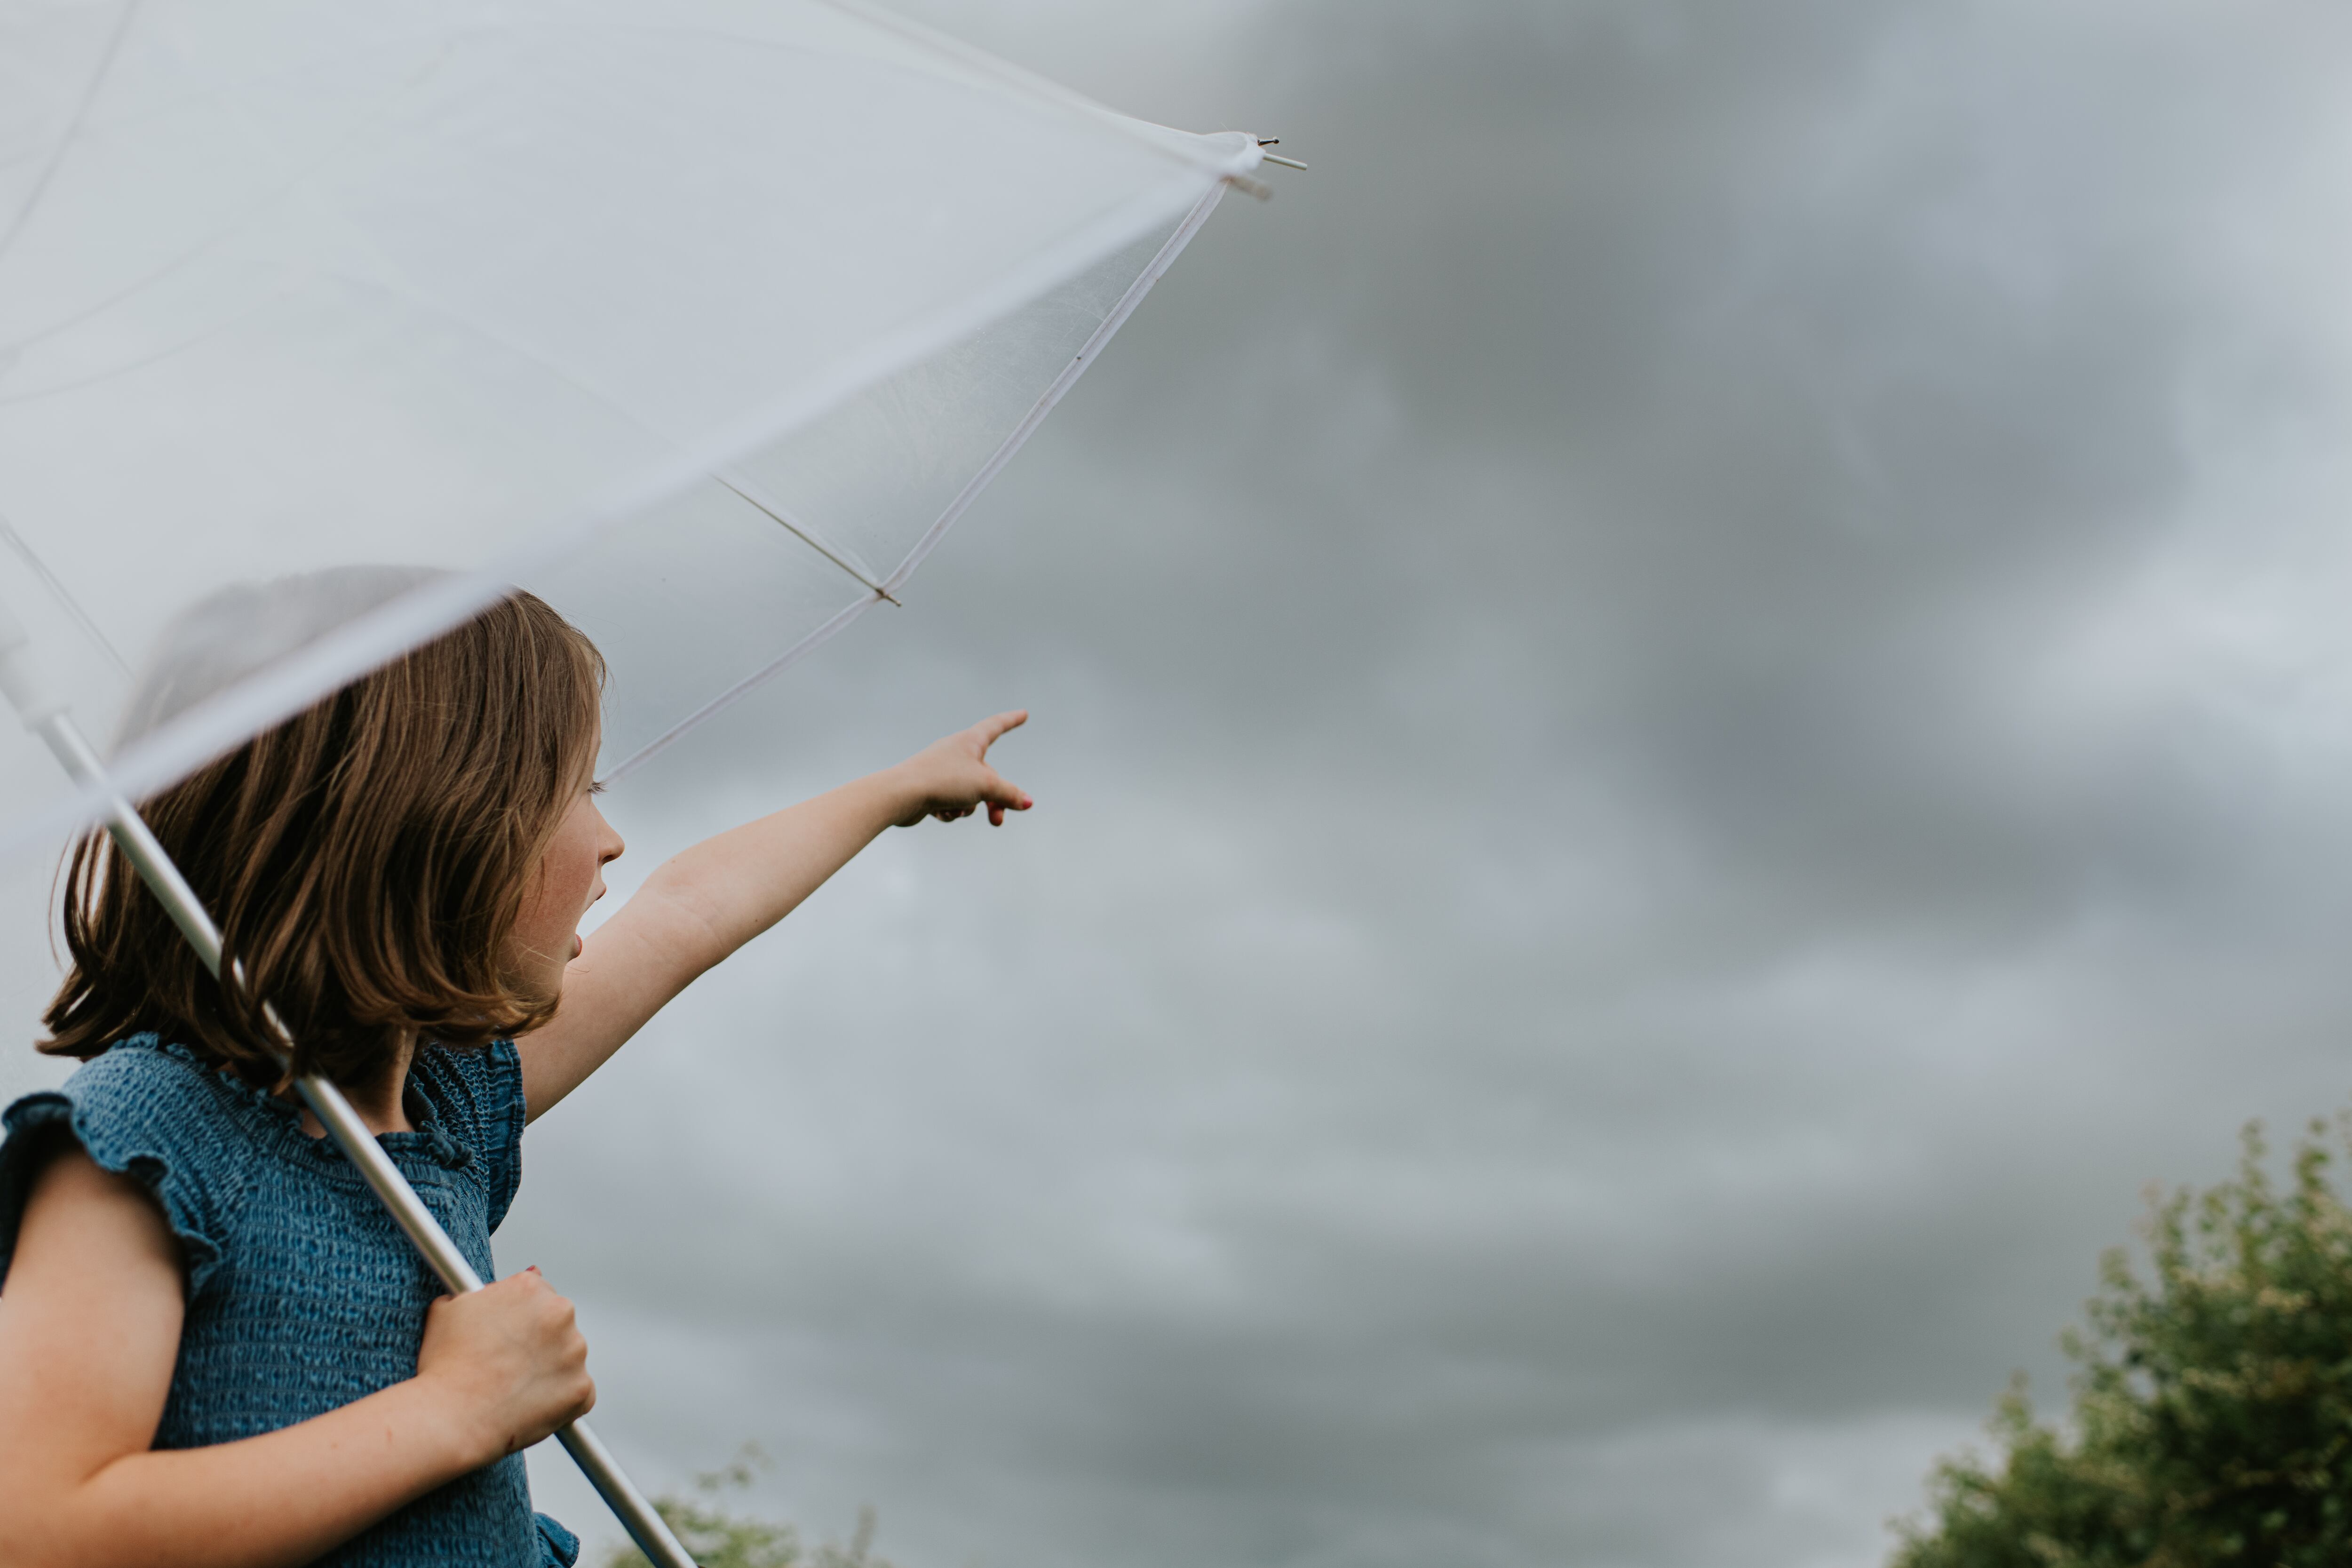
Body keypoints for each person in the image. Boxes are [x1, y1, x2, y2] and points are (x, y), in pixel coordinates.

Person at [0, 584, 1031, 1567]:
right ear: (434, 823)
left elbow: (688, 911)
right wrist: (455, 1412)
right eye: (582, 790)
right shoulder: (145, 1136)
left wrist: (894, 789)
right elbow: (41, 1533)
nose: (612, 839)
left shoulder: (445, 1109)